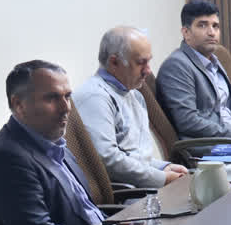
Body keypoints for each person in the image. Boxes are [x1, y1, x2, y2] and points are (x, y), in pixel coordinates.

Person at [0, 61, 107, 225]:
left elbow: (89, 213)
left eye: (67, 96)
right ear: (19, 105)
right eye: (52, 98)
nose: (66, 107)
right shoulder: (6, 159)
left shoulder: (56, 144)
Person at [73, 27, 189, 188]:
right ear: (114, 62)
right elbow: (108, 160)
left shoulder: (134, 95)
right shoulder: (95, 98)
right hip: (128, 195)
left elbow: (136, 157)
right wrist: (162, 178)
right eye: (141, 63)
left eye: (149, 61)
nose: (148, 70)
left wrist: (163, 167)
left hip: (143, 188)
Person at [156, 0, 231, 141]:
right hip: (209, 148)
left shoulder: (215, 62)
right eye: (202, 25)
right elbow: (188, 122)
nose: (211, 33)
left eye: (215, 26)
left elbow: (222, 114)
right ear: (186, 32)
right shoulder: (176, 66)